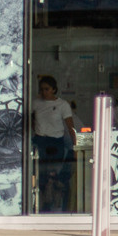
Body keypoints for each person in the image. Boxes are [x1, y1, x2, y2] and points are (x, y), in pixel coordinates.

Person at [32, 76, 77, 213]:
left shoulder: (62, 105)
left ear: (54, 89)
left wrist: (75, 146)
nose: (44, 92)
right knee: (41, 174)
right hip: (40, 140)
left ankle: (57, 205)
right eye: (42, 90)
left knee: (55, 174)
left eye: (47, 89)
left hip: (56, 141)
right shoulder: (36, 103)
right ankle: (42, 205)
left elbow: (70, 127)